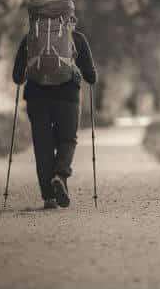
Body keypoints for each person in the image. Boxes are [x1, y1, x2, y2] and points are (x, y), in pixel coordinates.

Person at [12, 11, 97, 209]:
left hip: (36, 97)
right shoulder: (78, 38)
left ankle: (49, 197)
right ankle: (60, 175)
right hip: (67, 97)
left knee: (43, 145)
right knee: (67, 139)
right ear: (70, 19)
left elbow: (17, 77)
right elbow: (91, 76)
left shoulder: (30, 39)